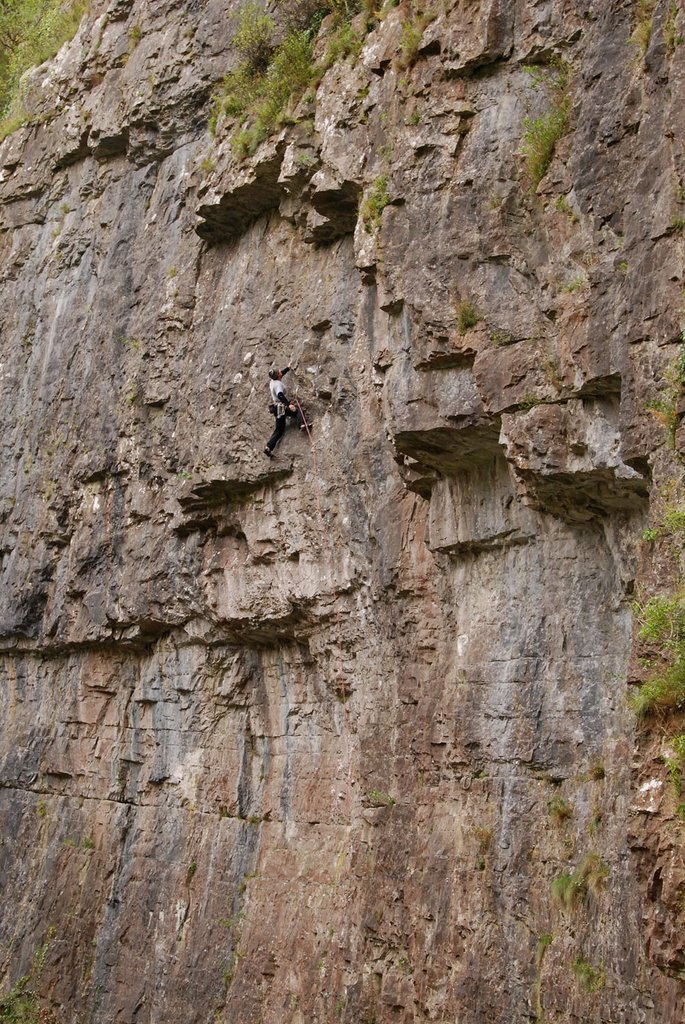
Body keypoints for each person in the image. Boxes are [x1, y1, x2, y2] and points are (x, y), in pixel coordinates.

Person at [264, 366, 312, 457]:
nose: (279, 371)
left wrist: (287, 368)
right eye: (278, 371)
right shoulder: (278, 384)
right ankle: (302, 424)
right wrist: (288, 404)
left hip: (277, 408)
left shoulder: (272, 381)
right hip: (281, 406)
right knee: (296, 411)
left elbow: (280, 374)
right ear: (278, 375)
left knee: (279, 429)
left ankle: (268, 447)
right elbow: (280, 395)